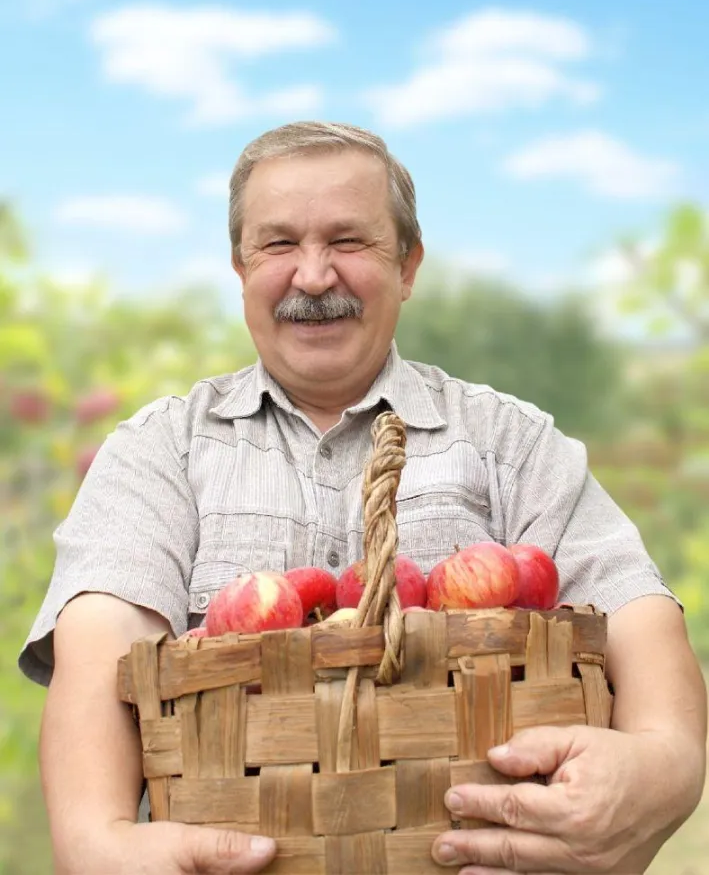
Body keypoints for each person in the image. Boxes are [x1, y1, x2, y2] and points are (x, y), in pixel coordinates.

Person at [20, 121, 706, 875]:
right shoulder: (161, 451)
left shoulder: (510, 444)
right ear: (239, 266)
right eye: (278, 245)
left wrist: (663, 769)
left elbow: (637, 618)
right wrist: (96, 841)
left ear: (407, 265)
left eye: (348, 241)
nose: (313, 278)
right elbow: (100, 644)